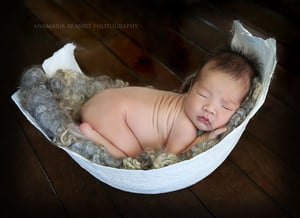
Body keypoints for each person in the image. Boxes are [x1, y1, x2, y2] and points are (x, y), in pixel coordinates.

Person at [79, 47, 259, 158]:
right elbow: (171, 159)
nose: (209, 108)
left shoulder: (184, 106)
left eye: (225, 106)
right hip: (111, 114)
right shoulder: (185, 127)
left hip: (106, 100)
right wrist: (202, 140)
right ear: (189, 87)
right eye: (203, 95)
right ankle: (91, 134)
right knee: (132, 156)